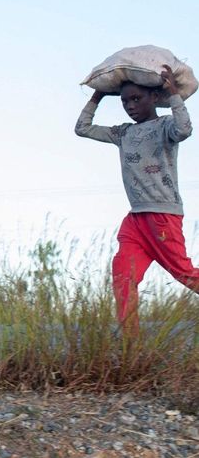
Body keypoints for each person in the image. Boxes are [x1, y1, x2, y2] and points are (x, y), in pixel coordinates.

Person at [75, 65, 198, 335]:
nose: (130, 106)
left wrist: (174, 94)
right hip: (135, 219)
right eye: (125, 101)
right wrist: (97, 96)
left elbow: (185, 129)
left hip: (162, 215)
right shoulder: (123, 133)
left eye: (136, 99)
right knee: (123, 274)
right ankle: (131, 343)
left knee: (185, 274)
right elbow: (82, 128)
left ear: (154, 97)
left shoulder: (165, 126)